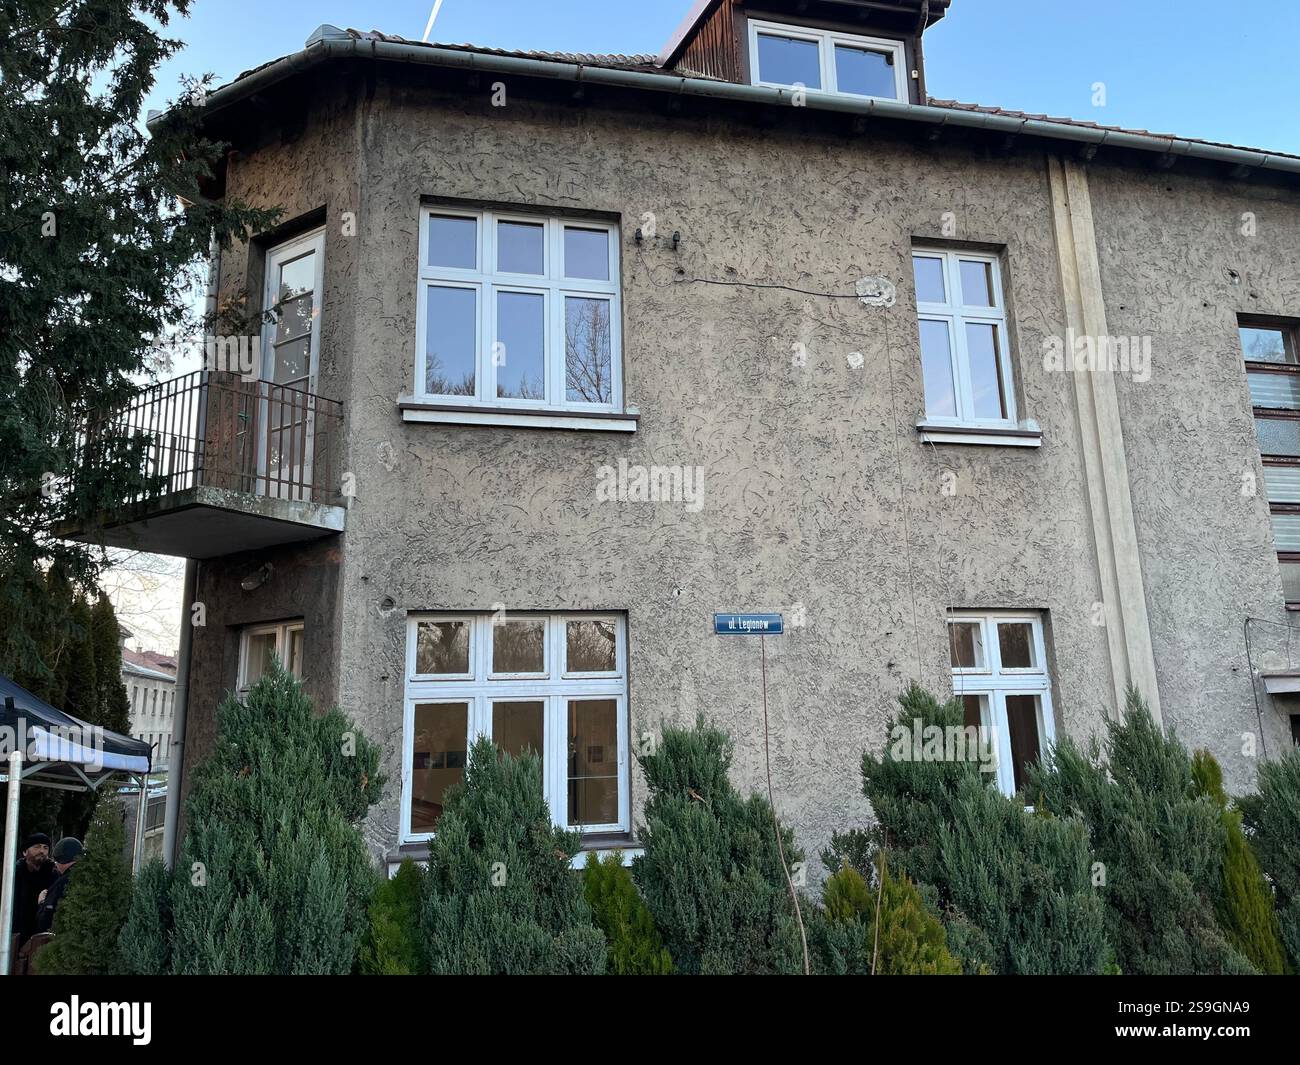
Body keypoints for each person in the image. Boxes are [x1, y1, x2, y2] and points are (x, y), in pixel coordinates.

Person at [11, 833, 55, 946]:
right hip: (16, 935)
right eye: (37, 846)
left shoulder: (53, 874)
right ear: (25, 852)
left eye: (46, 847)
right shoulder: (14, 875)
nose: (42, 851)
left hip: (43, 936)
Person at [34, 837, 82, 935]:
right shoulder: (90, 875)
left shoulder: (63, 883)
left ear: (61, 861)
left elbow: (46, 922)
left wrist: (42, 902)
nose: (55, 865)